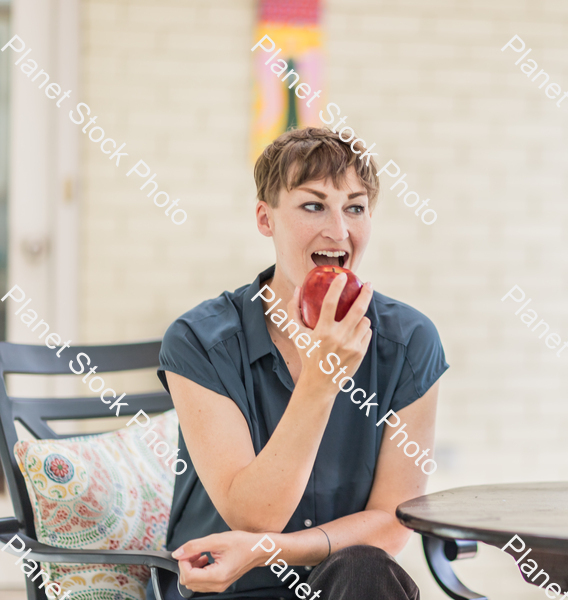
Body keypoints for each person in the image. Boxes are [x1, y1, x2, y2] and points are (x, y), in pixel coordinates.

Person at [150, 127, 447, 600]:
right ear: (265, 219)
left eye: (355, 207)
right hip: (229, 590)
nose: (339, 230)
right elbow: (254, 517)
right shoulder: (198, 341)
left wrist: (271, 549)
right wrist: (322, 378)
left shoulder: (409, 342)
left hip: (348, 587)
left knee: (366, 568)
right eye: (313, 205)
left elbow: (392, 524)